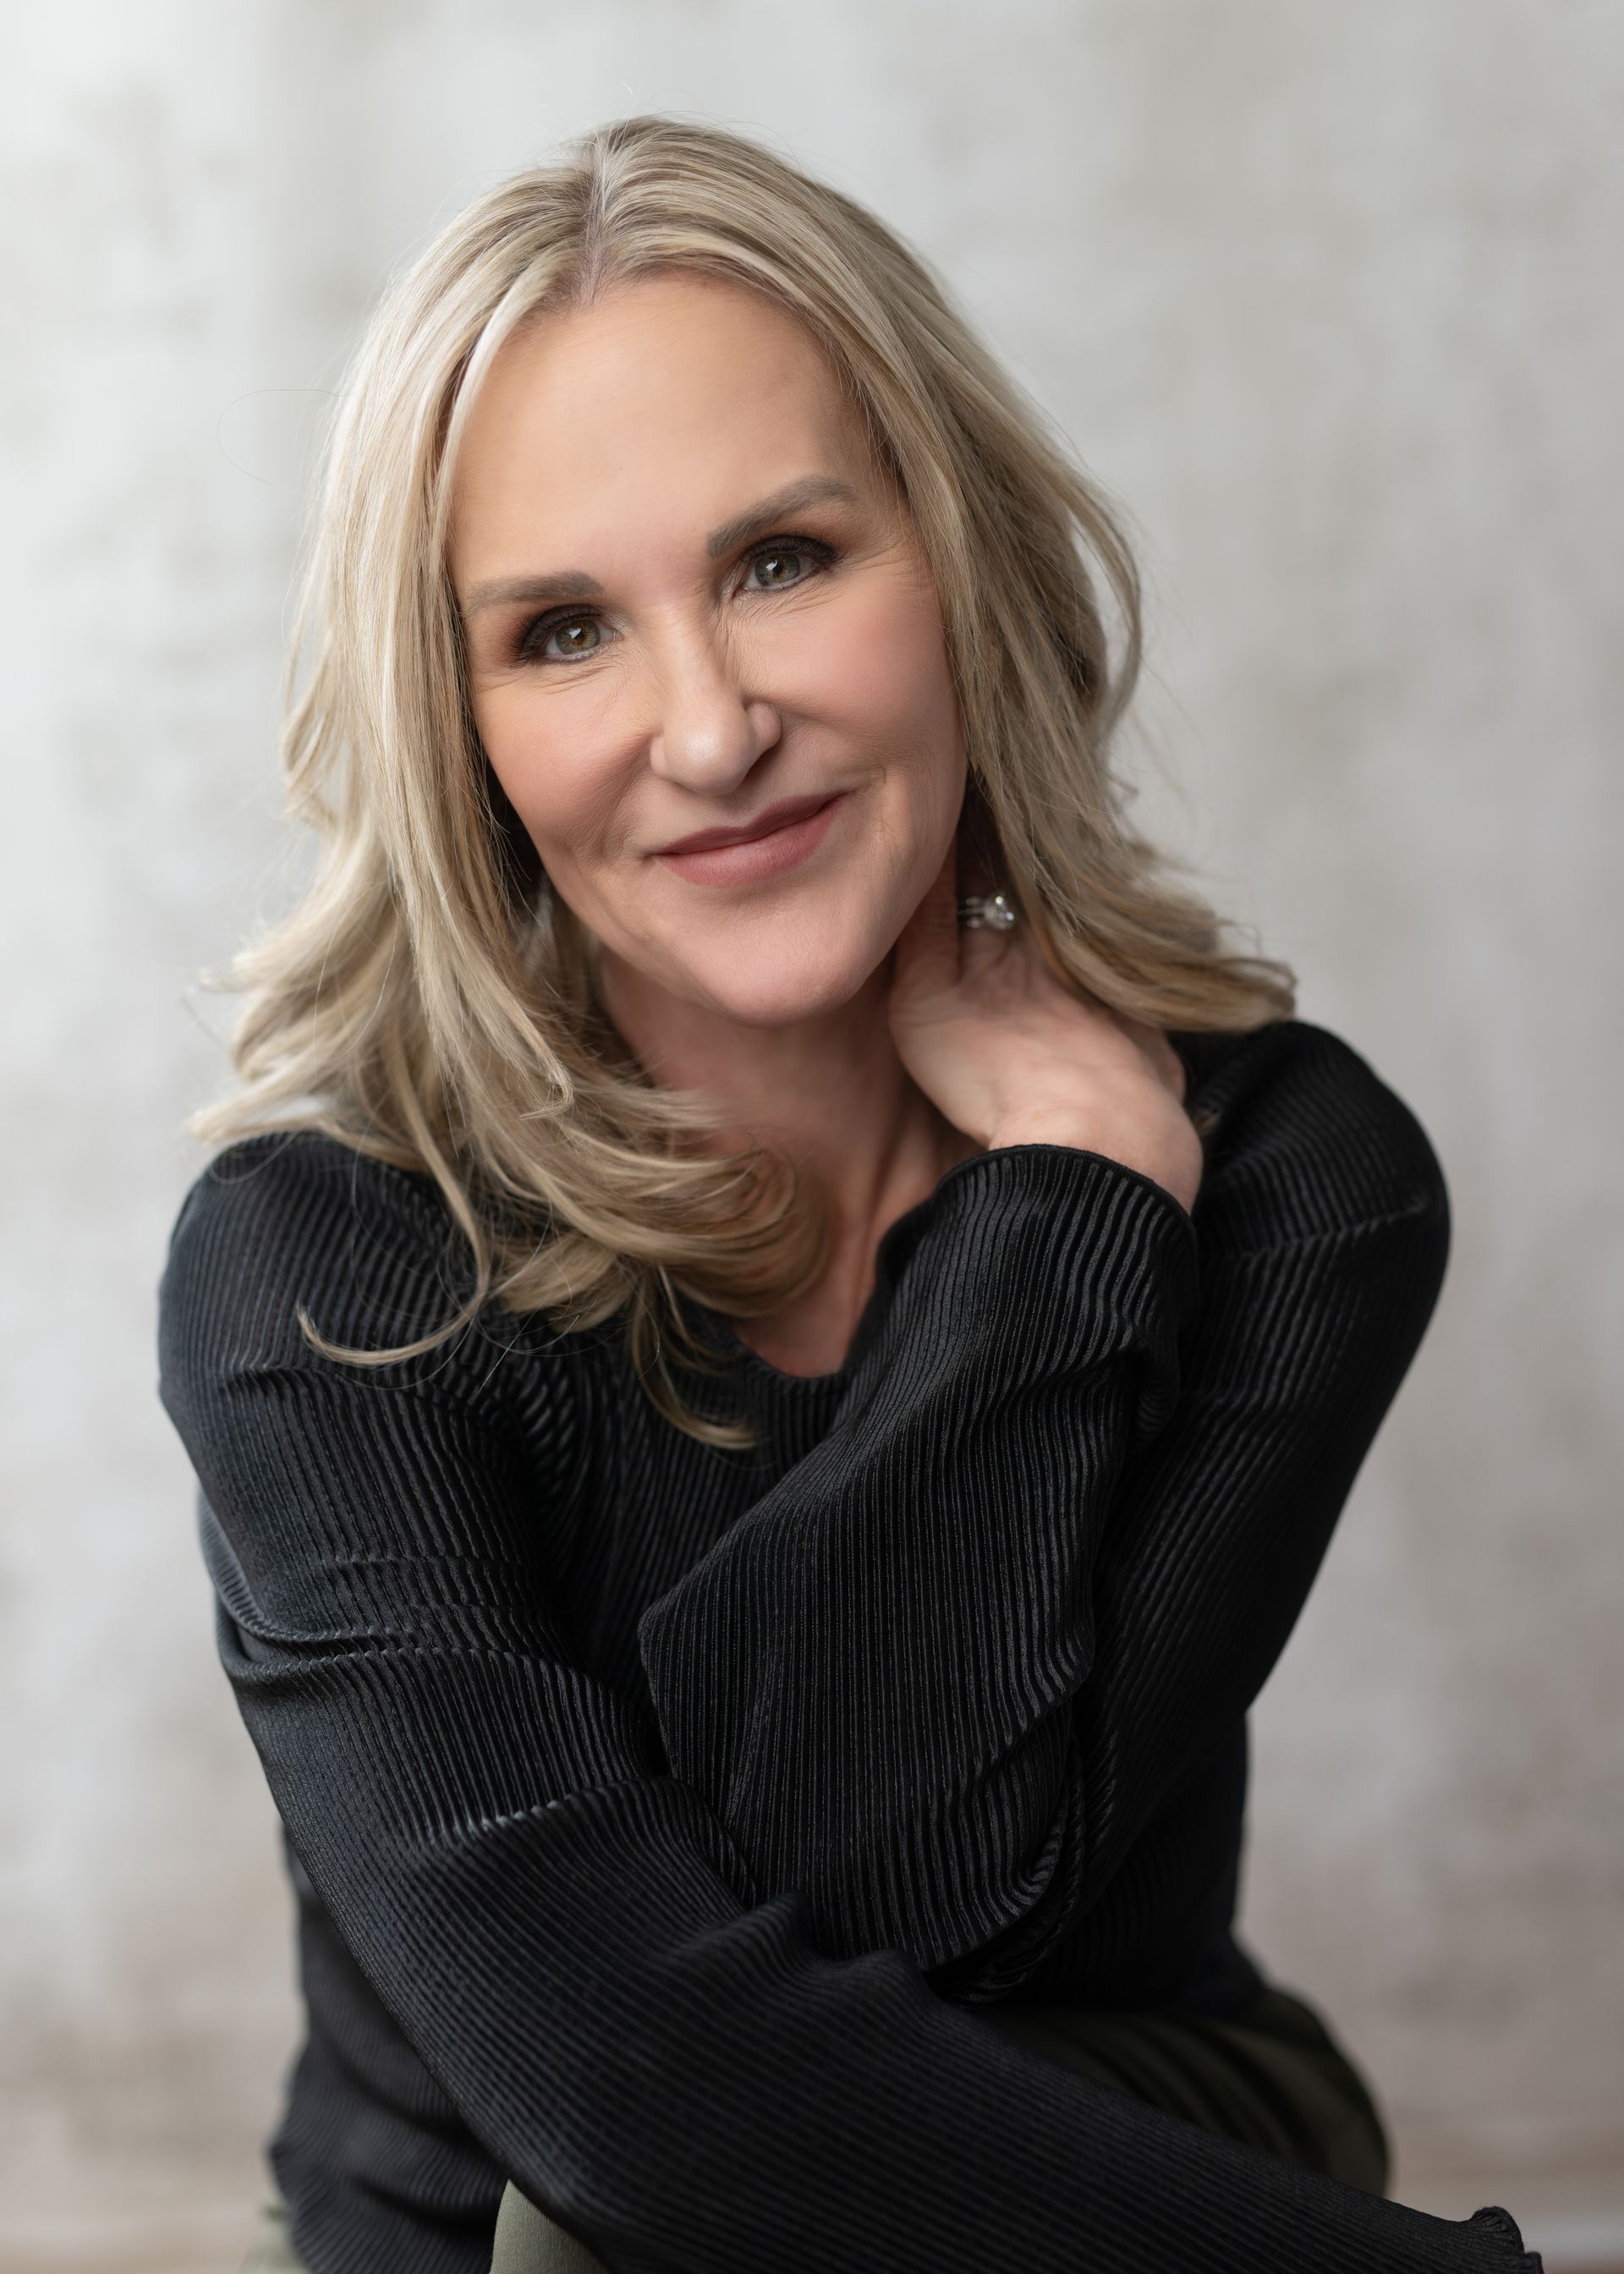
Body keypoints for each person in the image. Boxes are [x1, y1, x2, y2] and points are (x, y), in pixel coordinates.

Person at [156, 114, 1541, 2274]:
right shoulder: (330, 1269)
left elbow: (933, 1906)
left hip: (1106, 2104)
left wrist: (1072, 1203)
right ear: (459, 730)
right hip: (478, 2233)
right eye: (562, 631)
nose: (711, 731)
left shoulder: (1281, 1176)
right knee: (588, 2214)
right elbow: (630, 2092)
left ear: (958, 559)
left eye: (784, 562)